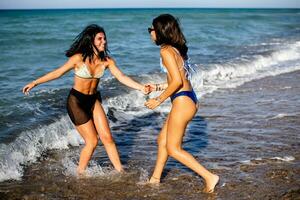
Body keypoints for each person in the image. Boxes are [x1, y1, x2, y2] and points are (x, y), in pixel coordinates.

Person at [23, 24, 149, 175]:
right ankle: (80, 173)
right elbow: (58, 72)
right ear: (91, 42)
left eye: (105, 39)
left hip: (93, 100)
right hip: (76, 102)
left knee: (108, 138)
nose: (104, 42)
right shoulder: (78, 58)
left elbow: (121, 77)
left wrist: (140, 87)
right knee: (92, 141)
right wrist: (35, 82)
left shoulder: (107, 61)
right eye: (100, 39)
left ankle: (120, 171)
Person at [145, 14, 219, 193]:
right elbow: (178, 80)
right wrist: (155, 87)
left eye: (151, 29)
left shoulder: (165, 51)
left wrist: (158, 99)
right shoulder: (176, 50)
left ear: (160, 31)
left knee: (173, 148)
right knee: (162, 139)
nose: (150, 33)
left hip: (182, 101)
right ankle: (155, 179)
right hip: (188, 98)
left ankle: (209, 177)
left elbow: (177, 81)